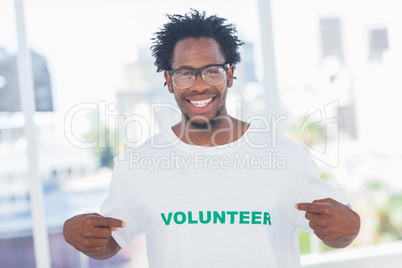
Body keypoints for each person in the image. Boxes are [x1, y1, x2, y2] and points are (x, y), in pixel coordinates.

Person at [63, 10, 360, 267]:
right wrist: (77, 234)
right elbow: (108, 242)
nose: (200, 86)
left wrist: (350, 228)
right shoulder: (137, 166)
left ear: (230, 75)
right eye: (185, 74)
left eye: (212, 71)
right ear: (169, 81)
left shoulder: (286, 157)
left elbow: (337, 234)